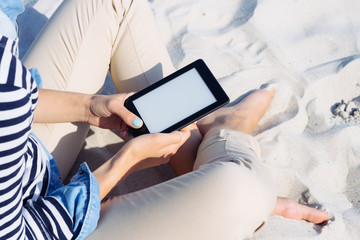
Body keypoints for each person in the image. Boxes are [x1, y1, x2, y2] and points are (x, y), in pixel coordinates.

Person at [0, 0, 329, 239]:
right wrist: (125, 161)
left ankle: (208, 148)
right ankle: (223, 135)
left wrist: (90, 106)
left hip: (26, 155)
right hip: (44, 222)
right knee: (245, 190)